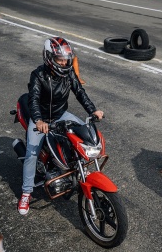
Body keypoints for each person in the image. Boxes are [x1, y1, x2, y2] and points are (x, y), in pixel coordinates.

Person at [18, 37, 104, 215]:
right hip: (40, 118)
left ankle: (79, 169)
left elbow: (79, 92)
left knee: (85, 135)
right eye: (60, 59)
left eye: (66, 59)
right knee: (31, 154)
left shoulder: (69, 71)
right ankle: (26, 192)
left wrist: (93, 110)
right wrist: (39, 121)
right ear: (49, 58)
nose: (64, 62)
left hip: (60, 114)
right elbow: (33, 99)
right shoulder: (38, 75)